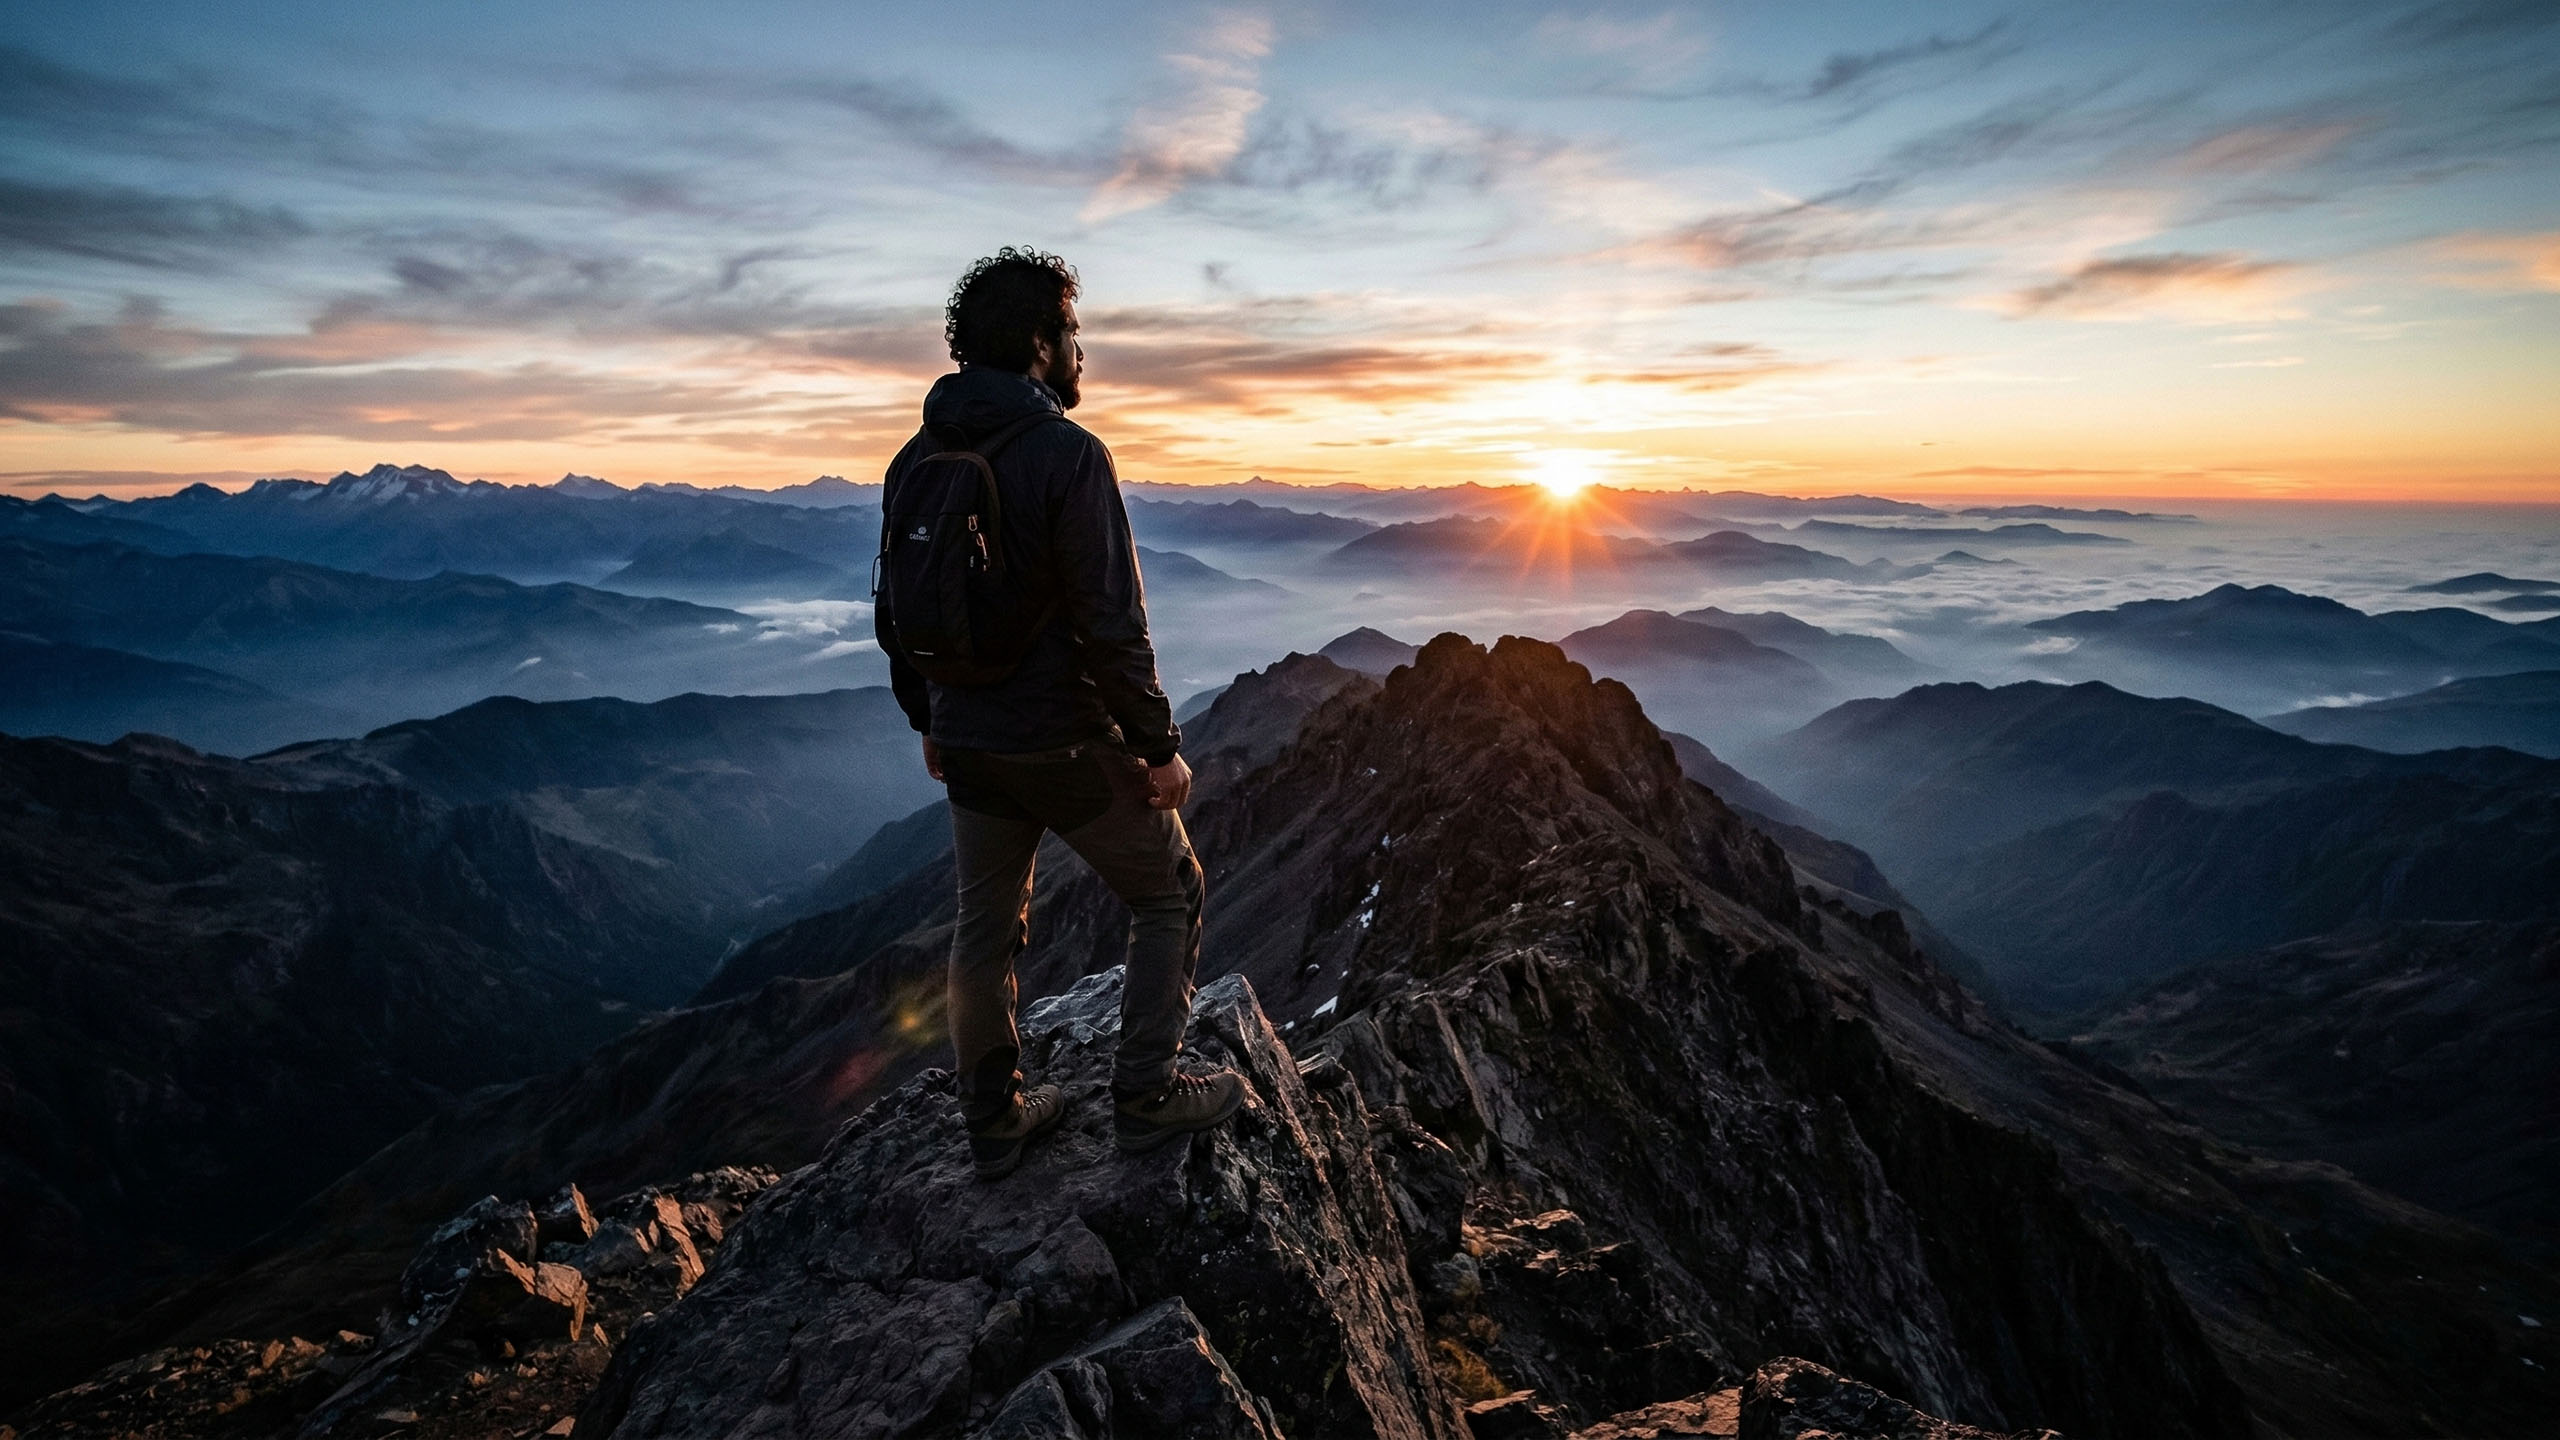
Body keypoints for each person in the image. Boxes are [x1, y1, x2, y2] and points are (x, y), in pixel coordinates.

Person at [877, 248, 1245, 1181]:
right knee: (1170, 893)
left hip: (967, 739)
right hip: (1063, 742)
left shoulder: (915, 459)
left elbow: (896, 612)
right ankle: (1148, 1096)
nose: (1083, 351)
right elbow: (1112, 620)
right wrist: (1158, 747)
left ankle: (995, 1120)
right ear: (1041, 344)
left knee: (983, 928)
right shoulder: (1070, 456)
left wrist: (929, 717)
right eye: (1074, 332)